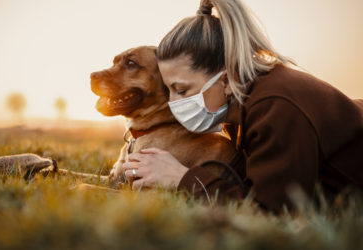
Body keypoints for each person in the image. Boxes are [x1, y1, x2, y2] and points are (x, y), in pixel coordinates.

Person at [122, 0, 363, 213]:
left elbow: (272, 215)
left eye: (183, 90)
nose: (174, 104)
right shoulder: (245, 104)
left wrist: (181, 177)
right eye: (169, 91)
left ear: (225, 80)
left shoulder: (275, 107)